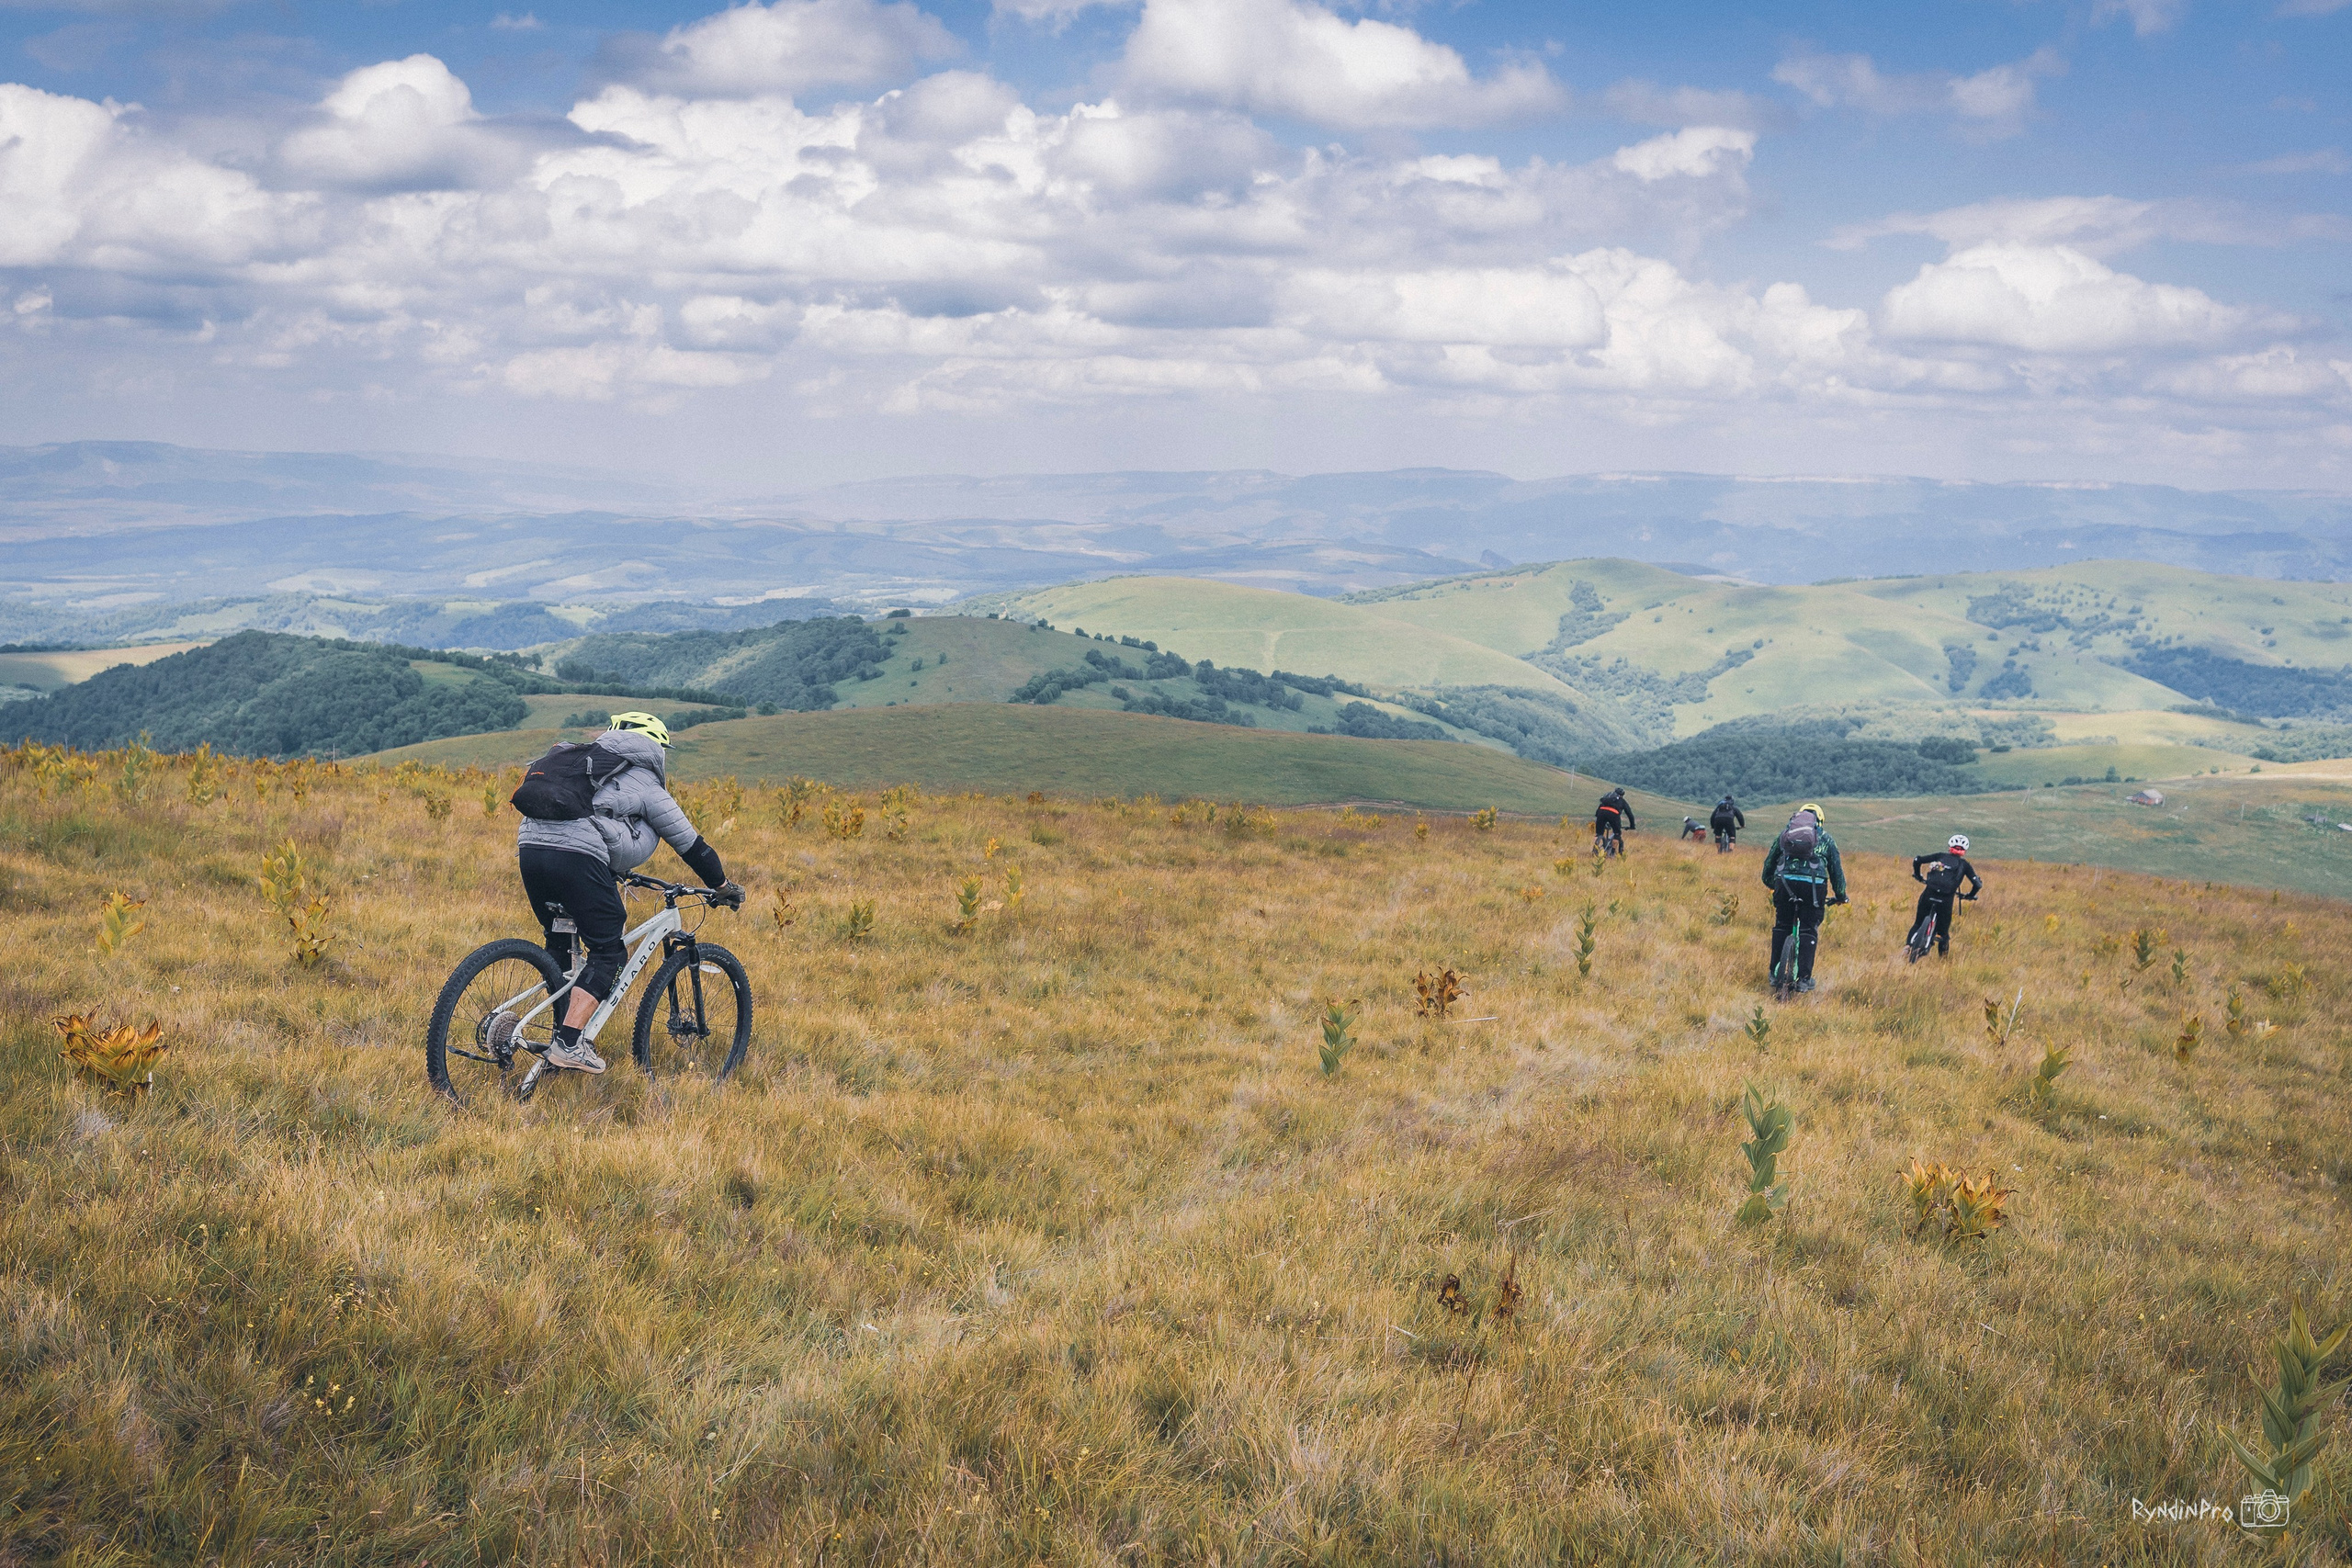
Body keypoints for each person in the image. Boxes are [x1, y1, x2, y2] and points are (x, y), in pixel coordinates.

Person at [514, 712, 741, 1073]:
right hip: (579, 855)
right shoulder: (646, 781)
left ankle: (557, 1033)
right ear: (656, 747)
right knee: (609, 952)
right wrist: (723, 887)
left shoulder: (585, 762)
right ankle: (569, 1043)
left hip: (530, 848)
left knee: (559, 940)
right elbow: (691, 845)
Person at [1759, 801, 1846, 993]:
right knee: (1808, 929)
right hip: (1814, 887)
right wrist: (1841, 896)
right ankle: (1804, 979)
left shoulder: (1784, 836)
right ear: (1820, 821)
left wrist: (1773, 885)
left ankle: (1774, 973)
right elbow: (1836, 872)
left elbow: (1768, 866)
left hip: (1785, 883)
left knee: (1782, 925)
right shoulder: (1826, 839)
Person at [1908, 834, 1983, 958]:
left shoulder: (1939, 856)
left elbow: (1917, 860)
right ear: (1964, 850)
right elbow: (1977, 884)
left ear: (1949, 847)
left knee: (1917, 924)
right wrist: (1970, 895)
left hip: (1929, 893)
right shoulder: (1964, 865)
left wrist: (1918, 875)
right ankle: (1943, 962)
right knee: (1943, 934)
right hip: (1946, 900)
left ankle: (1907, 947)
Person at [1594, 787, 1635, 854]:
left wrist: (1598, 818)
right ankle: (1612, 853)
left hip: (1601, 812)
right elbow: (1630, 814)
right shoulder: (1622, 801)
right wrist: (1632, 826)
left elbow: (1598, 810)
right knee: (1617, 834)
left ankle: (1595, 848)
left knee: (1599, 833)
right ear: (1622, 795)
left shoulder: (1607, 799)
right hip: (1613, 814)